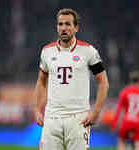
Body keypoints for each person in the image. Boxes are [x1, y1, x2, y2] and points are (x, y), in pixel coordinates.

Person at [35, 8, 109, 150]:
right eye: (60, 24)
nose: (64, 28)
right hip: (52, 118)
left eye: (68, 24)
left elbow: (103, 82)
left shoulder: (88, 51)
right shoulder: (46, 52)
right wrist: (37, 108)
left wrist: (96, 112)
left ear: (76, 28)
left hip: (78, 118)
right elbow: (41, 81)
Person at [111, 71, 139, 150]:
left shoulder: (125, 92)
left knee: (121, 142)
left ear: (130, 81)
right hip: (138, 123)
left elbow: (119, 109)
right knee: (137, 145)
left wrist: (114, 123)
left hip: (127, 121)